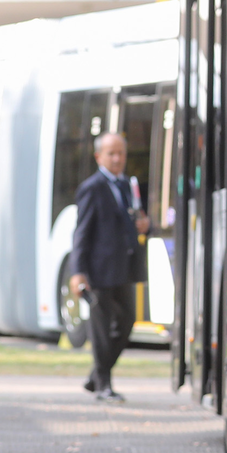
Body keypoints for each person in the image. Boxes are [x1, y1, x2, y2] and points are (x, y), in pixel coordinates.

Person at [69, 131, 150, 402]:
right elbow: (81, 233)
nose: (117, 159)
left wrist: (146, 226)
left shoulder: (128, 185)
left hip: (124, 269)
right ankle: (104, 384)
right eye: (111, 153)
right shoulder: (92, 188)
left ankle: (96, 375)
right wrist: (78, 272)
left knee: (127, 322)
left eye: (121, 153)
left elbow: (135, 222)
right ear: (98, 156)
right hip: (99, 271)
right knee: (101, 330)